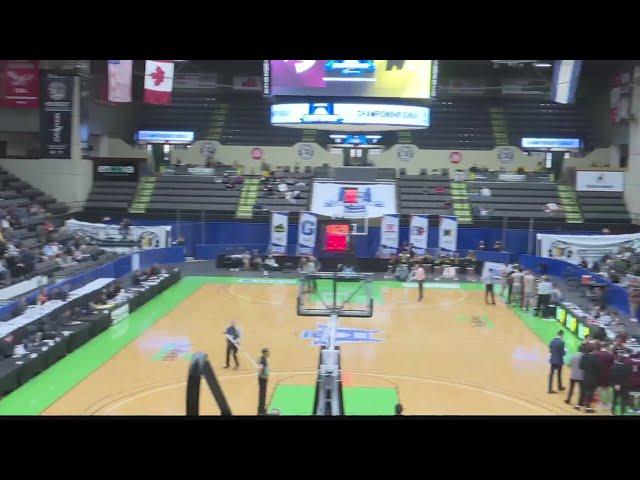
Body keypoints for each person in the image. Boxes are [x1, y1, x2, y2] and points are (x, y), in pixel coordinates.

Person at [579, 344, 602, 414]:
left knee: (584, 391)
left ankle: (582, 404)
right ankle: (588, 407)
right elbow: (599, 368)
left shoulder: (584, 356)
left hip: (585, 376)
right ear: (594, 350)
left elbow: (581, 367)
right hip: (593, 378)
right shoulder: (596, 358)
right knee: (591, 392)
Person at [257, 347, 270, 415]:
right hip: (262, 379)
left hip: (264, 378)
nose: (269, 353)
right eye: (268, 352)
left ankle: (262, 409)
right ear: (265, 353)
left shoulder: (264, 359)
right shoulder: (262, 360)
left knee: (263, 395)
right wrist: (263, 374)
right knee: (262, 395)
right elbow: (260, 369)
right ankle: (260, 411)